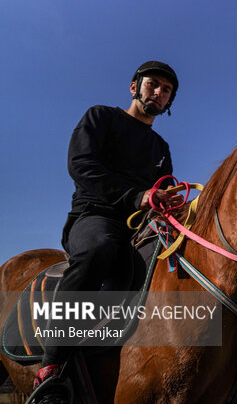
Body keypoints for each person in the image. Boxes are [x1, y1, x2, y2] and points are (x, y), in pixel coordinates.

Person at [32, 61, 182, 398]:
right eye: (152, 84)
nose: (158, 92)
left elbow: (164, 190)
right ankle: (52, 364)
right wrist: (137, 196)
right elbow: (81, 166)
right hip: (93, 217)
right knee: (100, 249)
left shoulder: (161, 149)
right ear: (134, 87)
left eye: (166, 90)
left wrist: (172, 206)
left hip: (139, 230)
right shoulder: (100, 117)